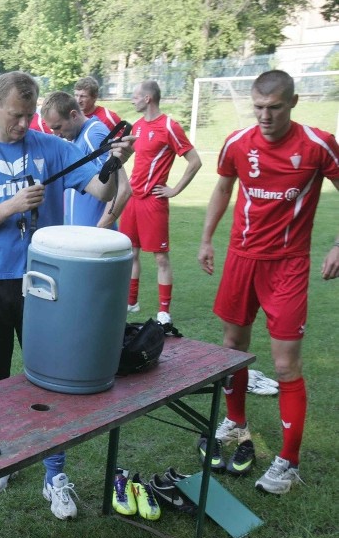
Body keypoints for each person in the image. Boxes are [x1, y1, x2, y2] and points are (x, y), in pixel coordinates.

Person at [0, 71, 133, 518]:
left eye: (30, 115)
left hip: (44, 282)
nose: (24, 124)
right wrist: (11, 205)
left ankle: (54, 474)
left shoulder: (52, 147)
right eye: (15, 115)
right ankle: (1, 458)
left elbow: (101, 188)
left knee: (49, 378)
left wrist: (114, 161)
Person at [197, 70, 339, 494]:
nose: (265, 116)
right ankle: (235, 420)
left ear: (293, 104)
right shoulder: (238, 143)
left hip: (288, 265)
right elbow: (223, 187)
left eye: (274, 108)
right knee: (233, 349)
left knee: (284, 365)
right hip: (242, 260)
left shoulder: (318, 144)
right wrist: (206, 239)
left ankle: (288, 462)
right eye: (258, 107)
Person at [121, 80, 202, 324]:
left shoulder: (169, 126)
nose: (132, 100)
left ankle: (164, 311)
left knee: (160, 258)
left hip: (154, 202)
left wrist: (174, 189)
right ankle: (131, 302)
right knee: (130, 252)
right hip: (133, 200)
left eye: (135, 95)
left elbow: (195, 161)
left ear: (148, 98)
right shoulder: (136, 126)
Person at [41, 91, 131, 228]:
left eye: (58, 127)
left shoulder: (93, 135)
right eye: (52, 129)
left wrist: (101, 227)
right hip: (81, 238)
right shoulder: (77, 137)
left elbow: (123, 188)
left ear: (73, 115)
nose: (56, 134)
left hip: (94, 240)